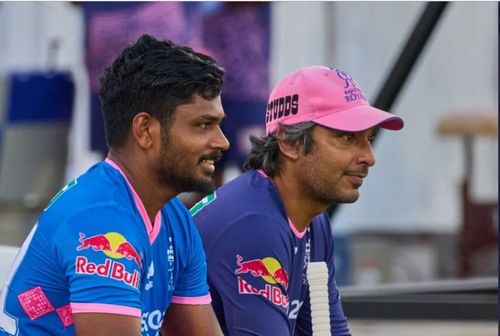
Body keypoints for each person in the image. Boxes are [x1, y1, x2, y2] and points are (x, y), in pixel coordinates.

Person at [0, 34, 229, 336]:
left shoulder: (175, 219)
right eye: (203, 125)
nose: (221, 142)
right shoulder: (101, 221)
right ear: (145, 130)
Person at [192, 66, 404, 335]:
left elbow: (327, 331)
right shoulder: (253, 224)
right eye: (347, 137)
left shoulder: (313, 218)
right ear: (289, 143)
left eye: (368, 138)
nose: (369, 157)